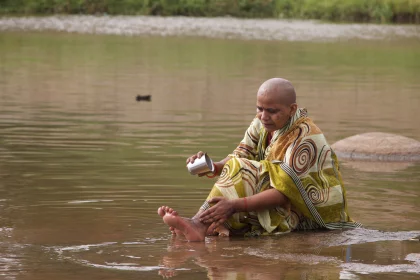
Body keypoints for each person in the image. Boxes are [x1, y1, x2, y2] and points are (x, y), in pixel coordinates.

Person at [158, 78, 361, 241]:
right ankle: (199, 224)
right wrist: (211, 166)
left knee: (241, 180)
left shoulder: (306, 138)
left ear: (292, 109)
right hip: (279, 199)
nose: (263, 116)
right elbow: (239, 157)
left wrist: (234, 205)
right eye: (259, 109)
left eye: (272, 111)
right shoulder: (262, 123)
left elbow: (284, 194)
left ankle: (197, 225)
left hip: (310, 216)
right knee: (238, 171)